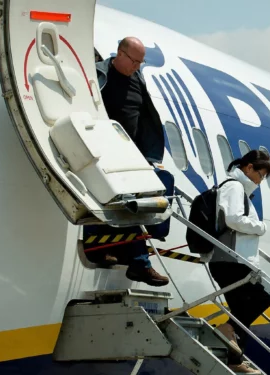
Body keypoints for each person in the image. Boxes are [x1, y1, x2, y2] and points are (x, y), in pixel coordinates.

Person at [89, 36, 169, 287]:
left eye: (140, 62)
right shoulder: (99, 75)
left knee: (131, 205)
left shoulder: (138, 79)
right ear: (119, 54)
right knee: (110, 202)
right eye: (133, 60)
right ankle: (138, 262)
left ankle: (129, 258)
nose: (137, 66)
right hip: (102, 150)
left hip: (130, 153)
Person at [208, 150, 270, 374]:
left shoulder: (240, 189)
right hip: (230, 259)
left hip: (234, 259)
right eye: (261, 175)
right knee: (265, 294)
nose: (261, 180)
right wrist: (261, 227)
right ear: (249, 168)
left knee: (241, 309)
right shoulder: (234, 187)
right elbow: (234, 219)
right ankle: (227, 330)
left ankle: (234, 357)